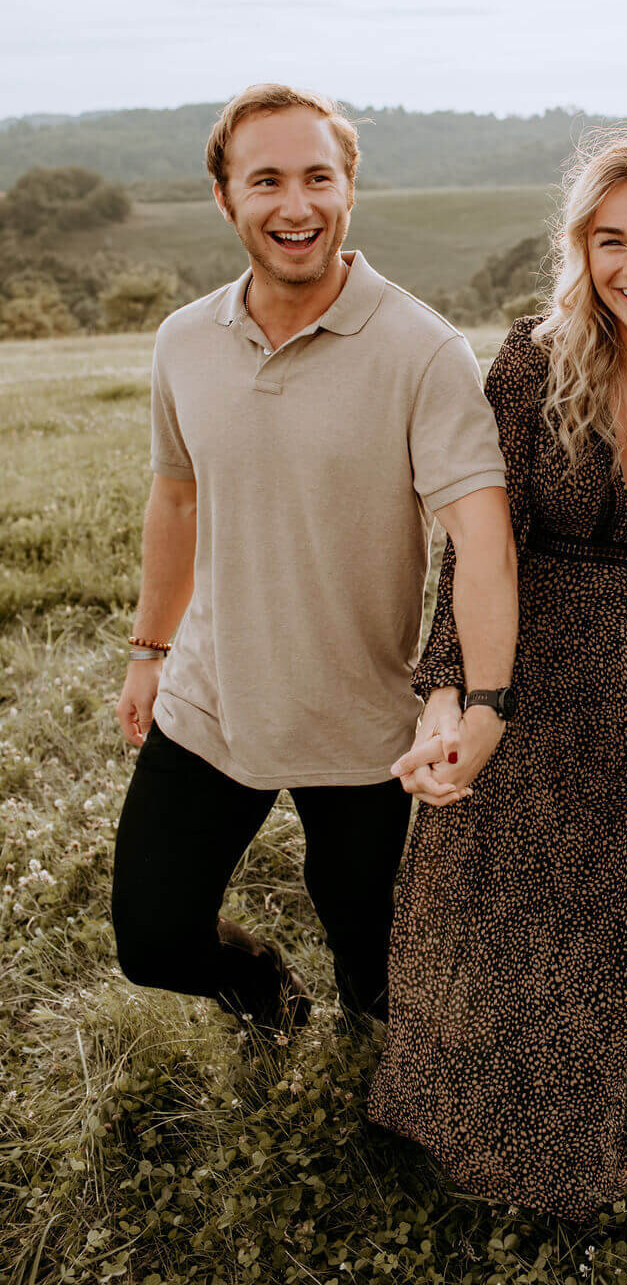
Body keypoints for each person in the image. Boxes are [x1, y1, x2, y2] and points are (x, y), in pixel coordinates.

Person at [369, 126, 627, 1218]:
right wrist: (453, 689)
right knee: (479, 904)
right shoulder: (530, 361)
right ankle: (439, 1118)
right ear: (581, 250)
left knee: (603, 912)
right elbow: (477, 538)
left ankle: (561, 1133)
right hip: (525, 647)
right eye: (609, 241)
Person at [111, 83, 518, 1040]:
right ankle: (268, 1002)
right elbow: (176, 496)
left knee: (370, 958)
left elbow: (485, 544)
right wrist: (148, 648)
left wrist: (487, 701)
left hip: (363, 725)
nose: (295, 206)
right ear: (225, 198)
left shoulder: (424, 352)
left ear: (349, 189)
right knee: (153, 939)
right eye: (266, 181)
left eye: (317, 178)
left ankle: (369, 1070)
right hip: (213, 702)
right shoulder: (183, 341)